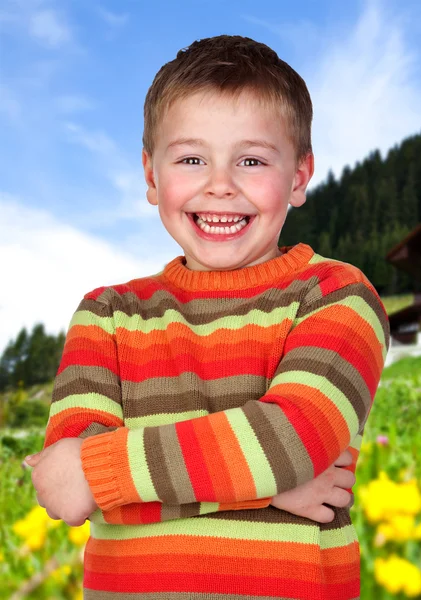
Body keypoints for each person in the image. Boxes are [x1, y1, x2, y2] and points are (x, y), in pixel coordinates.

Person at [26, 35, 390, 599]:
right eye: (192, 158)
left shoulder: (337, 296)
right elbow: (68, 488)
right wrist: (265, 491)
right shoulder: (107, 314)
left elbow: (291, 440)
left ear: (298, 176)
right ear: (151, 175)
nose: (220, 183)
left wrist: (114, 477)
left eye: (251, 160)